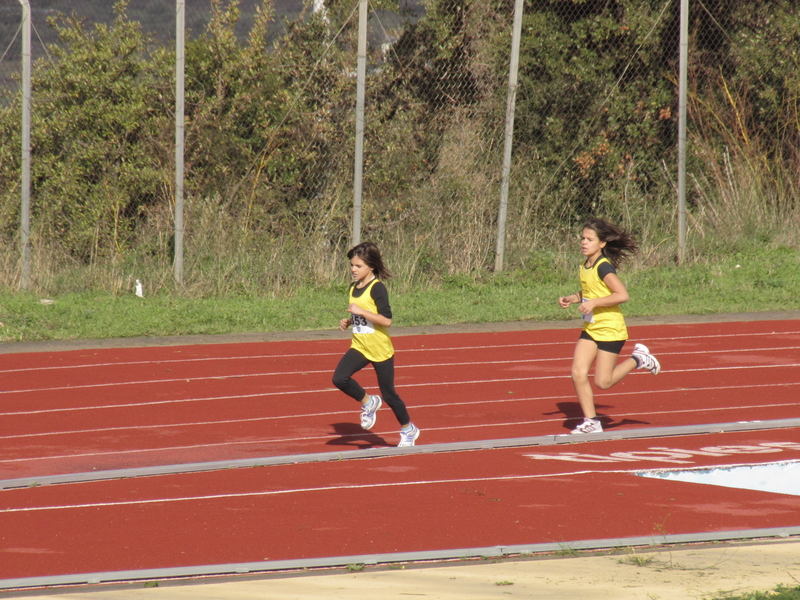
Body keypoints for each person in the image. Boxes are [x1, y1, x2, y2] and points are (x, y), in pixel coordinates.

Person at [558, 218, 660, 434]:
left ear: (602, 243)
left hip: (610, 330)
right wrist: (573, 298)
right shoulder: (585, 265)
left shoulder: (604, 266)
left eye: (590, 239)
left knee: (603, 382)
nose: (584, 243)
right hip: (591, 329)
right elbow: (591, 292)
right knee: (577, 372)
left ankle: (639, 359)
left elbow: (622, 295)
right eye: (583, 239)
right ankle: (592, 422)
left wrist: (594, 303)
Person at [332, 242, 421, 447]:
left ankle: (408, 429)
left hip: (380, 349)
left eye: (358, 266)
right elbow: (362, 316)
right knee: (339, 378)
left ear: (370, 266)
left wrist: (361, 312)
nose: (353, 269)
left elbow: (387, 320)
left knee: (389, 394)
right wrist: (350, 321)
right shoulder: (354, 288)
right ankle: (368, 402)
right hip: (360, 346)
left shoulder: (377, 288)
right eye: (352, 265)